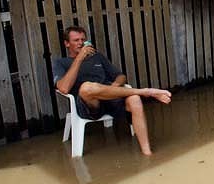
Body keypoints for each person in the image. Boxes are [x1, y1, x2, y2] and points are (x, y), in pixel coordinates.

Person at [54, 26, 172, 156]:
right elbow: (63, 88)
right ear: (66, 43)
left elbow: (121, 76)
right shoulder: (61, 63)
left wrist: (115, 86)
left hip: (111, 100)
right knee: (87, 87)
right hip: (91, 105)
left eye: (83, 39)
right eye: (76, 40)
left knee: (134, 99)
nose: (81, 43)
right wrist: (79, 58)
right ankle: (145, 91)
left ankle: (147, 152)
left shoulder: (97, 57)